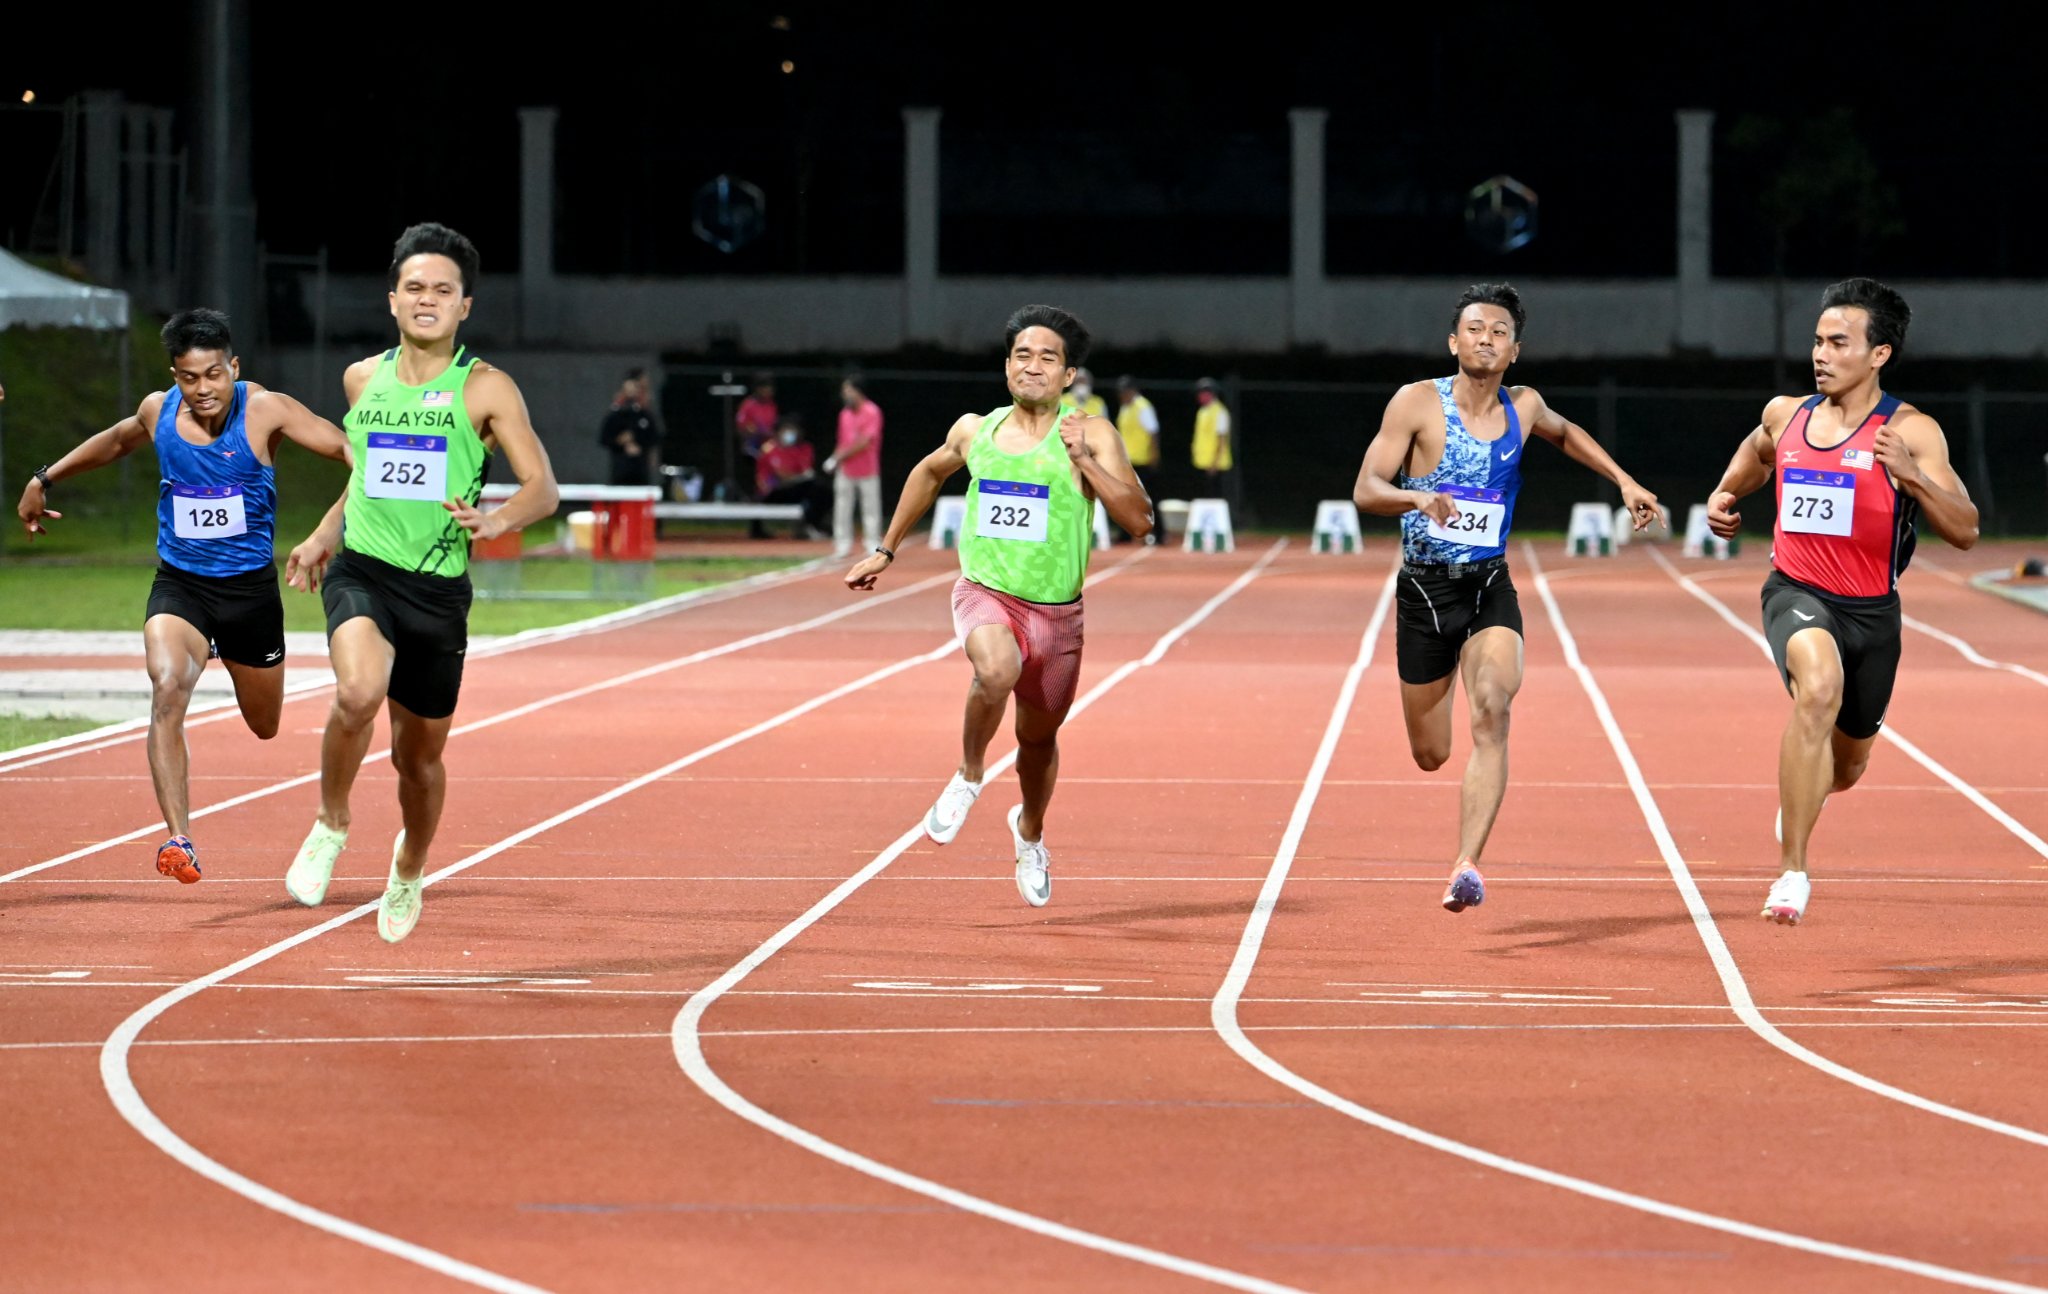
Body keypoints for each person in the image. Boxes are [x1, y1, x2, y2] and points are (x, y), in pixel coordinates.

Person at [281, 223, 560, 942]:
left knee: (418, 759)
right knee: (357, 693)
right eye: (414, 288)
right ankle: (331, 822)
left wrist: (497, 521)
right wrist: (323, 536)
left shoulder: (485, 388)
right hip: (364, 571)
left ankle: (409, 864)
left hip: (436, 592)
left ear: (464, 305)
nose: (426, 299)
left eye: (442, 290)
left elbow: (543, 487)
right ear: (393, 299)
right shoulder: (361, 379)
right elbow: (366, 479)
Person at [14, 308, 351, 883]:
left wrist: (328, 530)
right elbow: (118, 440)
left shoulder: (266, 410)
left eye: (214, 375)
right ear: (175, 376)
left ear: (233, 367)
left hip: (249, 595)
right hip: (181, 586)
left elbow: (353, 454)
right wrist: (44, 479)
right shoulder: (159, 410)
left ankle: (233, 661)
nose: (203, 389)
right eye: (190, 378)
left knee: (265, 724)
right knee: (167, 687)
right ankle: (179, 839)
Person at [1353, 282, 1659, 913]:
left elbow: (1566, 433)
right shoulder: (1416, 402)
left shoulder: (1525, 405)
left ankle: (1466, 864)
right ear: (1453, 341)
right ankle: (1446, 770)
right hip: (1425, 590)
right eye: (1474, 329)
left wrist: (1625, 481)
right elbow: (1366, 489)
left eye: (1498, 332)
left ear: (1514, 350)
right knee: (1431, 753)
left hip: (1488, 582)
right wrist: (1415, 496)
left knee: (1493, 709)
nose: (1485, 339)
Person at [844, 305, 1151, 907]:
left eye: (1048, 358)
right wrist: (885, 549)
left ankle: (1029, 831)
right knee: (995, 669)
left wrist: (1085, 462)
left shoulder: (1091, 434)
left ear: (1068, 375)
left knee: (1037, 742)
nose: (1033, 366)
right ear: (1007, 366)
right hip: (985, 591)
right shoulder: (974, 431)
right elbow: (928, 472)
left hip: (1058, 615)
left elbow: (1139, 520)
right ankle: (968, 775)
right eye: (1022, 355)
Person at [1706, 278, 1977, 926]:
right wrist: (1724, 494)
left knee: (1848, 768)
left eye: (1837, 343)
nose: (1820, 355)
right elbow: (1757, 451)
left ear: (1879, 354)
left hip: (1873, 614)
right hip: (1796, 592)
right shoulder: (1787, 414)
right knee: (1818, 687)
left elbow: (1966, 529)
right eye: (1817, 341)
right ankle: (1792, 873)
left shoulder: (1911, 430)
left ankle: (1804, 796)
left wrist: (1911, 476)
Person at [826, 373, 884, 559]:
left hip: (868, 469)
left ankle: (872, 542)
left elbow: (864, 441)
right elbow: (842, 441)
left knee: (870, 508)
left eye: (847, 390)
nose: (845, 394)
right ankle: (842, 544)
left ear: (857, 391)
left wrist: (839, 457)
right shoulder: (844, 414)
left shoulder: (872, 411)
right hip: (846, 470)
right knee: (842, 508)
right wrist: (834, 458)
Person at [755, 413, 831, 538]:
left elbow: (806, 471)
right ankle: (807, 526)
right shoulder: (769, 449)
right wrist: (798, 476)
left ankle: (812, 525)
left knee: (822, 490)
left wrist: (799, 476)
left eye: (793, 429)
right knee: (811, 486)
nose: (790, 433)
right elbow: (782, 476)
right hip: (771, 492)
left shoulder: (799, 449)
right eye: (786, 429)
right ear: (778, 432)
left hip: (792, 489)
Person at [1113, 375, 1162, 542]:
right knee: (1125, 499)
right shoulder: (1125, 408)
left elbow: (1153, 432)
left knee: (1149, 498)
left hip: (1143, 460)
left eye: (1124, 392)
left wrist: (1154, 456)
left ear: (1132, 391)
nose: (1121, 396)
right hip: (1127, 461)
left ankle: (1159, 533)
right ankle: (1126, 534)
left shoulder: (1143, 407)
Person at [597, 367, 658, 487]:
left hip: (641, 471)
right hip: (620, 471)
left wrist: (640, 444)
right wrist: (619, 440)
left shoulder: (645, 415)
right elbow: (604, 438)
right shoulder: (615, 414)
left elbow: (653, 438)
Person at [734, 372, 779, 486]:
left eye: (771, 388)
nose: (769, 391)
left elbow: (774, 427)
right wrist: (757, 432)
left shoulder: (771, 405)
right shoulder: (748, 405)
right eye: (766, 388)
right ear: (759, 389)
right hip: (751, 445)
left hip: (768, 445)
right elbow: (742, 428)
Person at [1191, 377, 1233, 481]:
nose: (1199, 396)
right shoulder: (1202, 411)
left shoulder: (1220, 412)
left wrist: (1215, 464)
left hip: (1216, 467)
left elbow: (1221, 439)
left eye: (1201, 393)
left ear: (1210, 394)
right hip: (1202, 463)